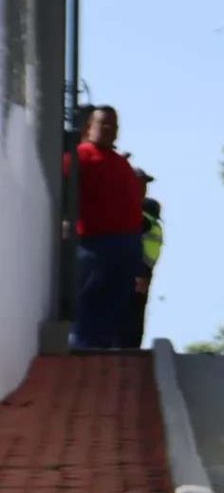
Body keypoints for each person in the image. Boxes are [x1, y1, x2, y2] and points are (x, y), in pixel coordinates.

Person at [63, 105, 143, 350]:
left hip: (126, 245)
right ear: (89, 127)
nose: (109, 129)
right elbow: (63, 192)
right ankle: (81, 351)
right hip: (95, 244)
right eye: (103, 123)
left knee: (116, 305)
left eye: (114, 125)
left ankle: (104, 351)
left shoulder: (120, 162)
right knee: (89, 301)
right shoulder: (79, 156)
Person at [122, 169, 163, 349]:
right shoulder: (148, 223)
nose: (144, 188)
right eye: (142, 183)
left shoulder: (144, 221)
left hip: (136, 273)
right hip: (138, 274)